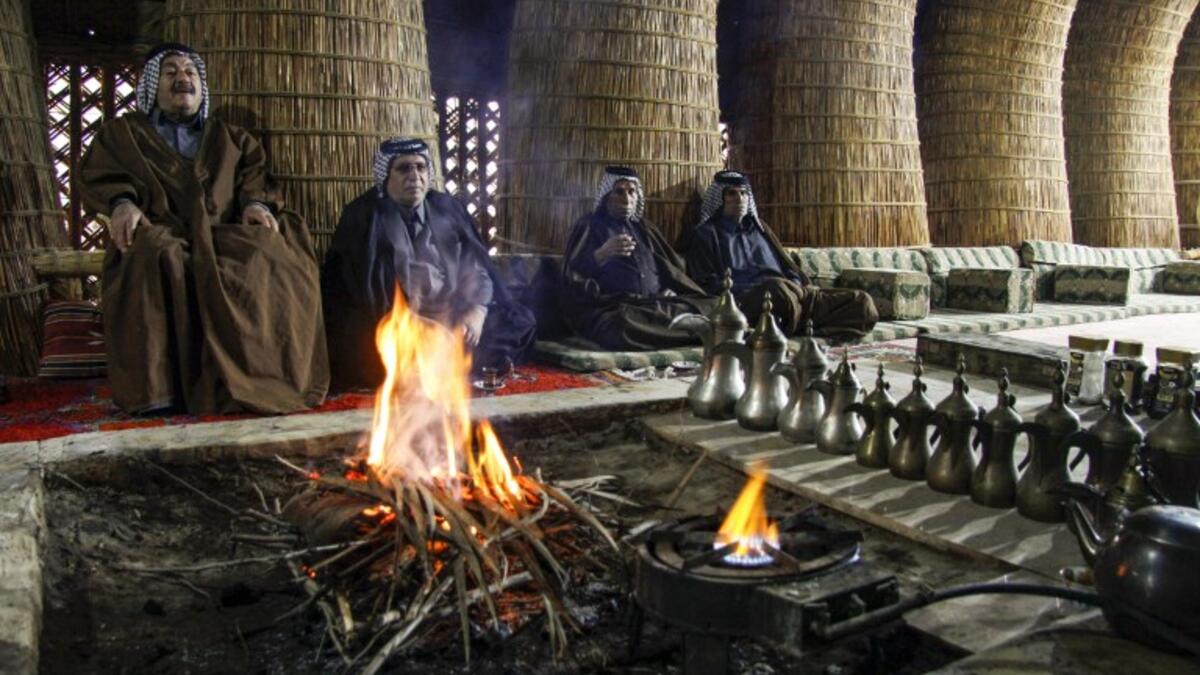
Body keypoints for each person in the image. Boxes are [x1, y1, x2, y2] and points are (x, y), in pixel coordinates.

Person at [78, 42, 328, 414]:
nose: (183, 79)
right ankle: (159, 393)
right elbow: (103, 176)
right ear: (152, 86)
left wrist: (256, 205)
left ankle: (266, 379)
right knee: (156, 252)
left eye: (191, 73)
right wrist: (123, 203)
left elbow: (256, 179)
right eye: (171, 72)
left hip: (223, 231)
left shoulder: (231, 137)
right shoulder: (123, 134)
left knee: (270, 252)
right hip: (162, 228)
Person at [321, 138, 536, 389]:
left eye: (421, 167)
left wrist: (476, 311)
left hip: (451, 318)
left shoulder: (447, 209)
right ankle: (438, 367)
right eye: (403, 168)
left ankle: (440, 364)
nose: (415, 176)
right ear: (385, 175)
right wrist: (418, 327)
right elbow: (356, 294)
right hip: (396, 324)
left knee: (520, 321)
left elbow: (478, 270)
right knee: (355, 344)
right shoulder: (364, 217)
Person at [683, 170, 878, 340]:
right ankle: (799, 322)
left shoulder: (761, 230)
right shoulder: (707, 234)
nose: (739, 199)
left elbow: (787, 267)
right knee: (776, 290)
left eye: (744, 193)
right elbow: (706, 284)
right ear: (719, 199)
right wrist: (759, 288)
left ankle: (795, 322)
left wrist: (793, 283)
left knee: (862, 302)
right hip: (748, 300)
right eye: (732, 194)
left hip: (794, 295)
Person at [562, 166, 716, 350]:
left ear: (637, 197)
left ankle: (678, 331)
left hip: (655, 304)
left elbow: (672, 267)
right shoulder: (589, 225)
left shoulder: (645, 228)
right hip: (615, 307)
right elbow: (570, 277)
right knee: (619, 327)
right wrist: (602, 253)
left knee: (713, 307)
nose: (626, 199)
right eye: (619, 192)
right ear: (606, 197)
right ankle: (694, 333)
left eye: (631, 192)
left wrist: (670, 289)